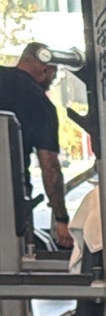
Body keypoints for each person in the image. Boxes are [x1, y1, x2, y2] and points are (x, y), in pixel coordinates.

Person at [0, 42, 73, 249]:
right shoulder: (41, 103)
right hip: (9, 206)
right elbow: (49, 166)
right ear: (45, 69)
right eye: (54, 75)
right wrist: (62, 220)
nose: (52, 81)